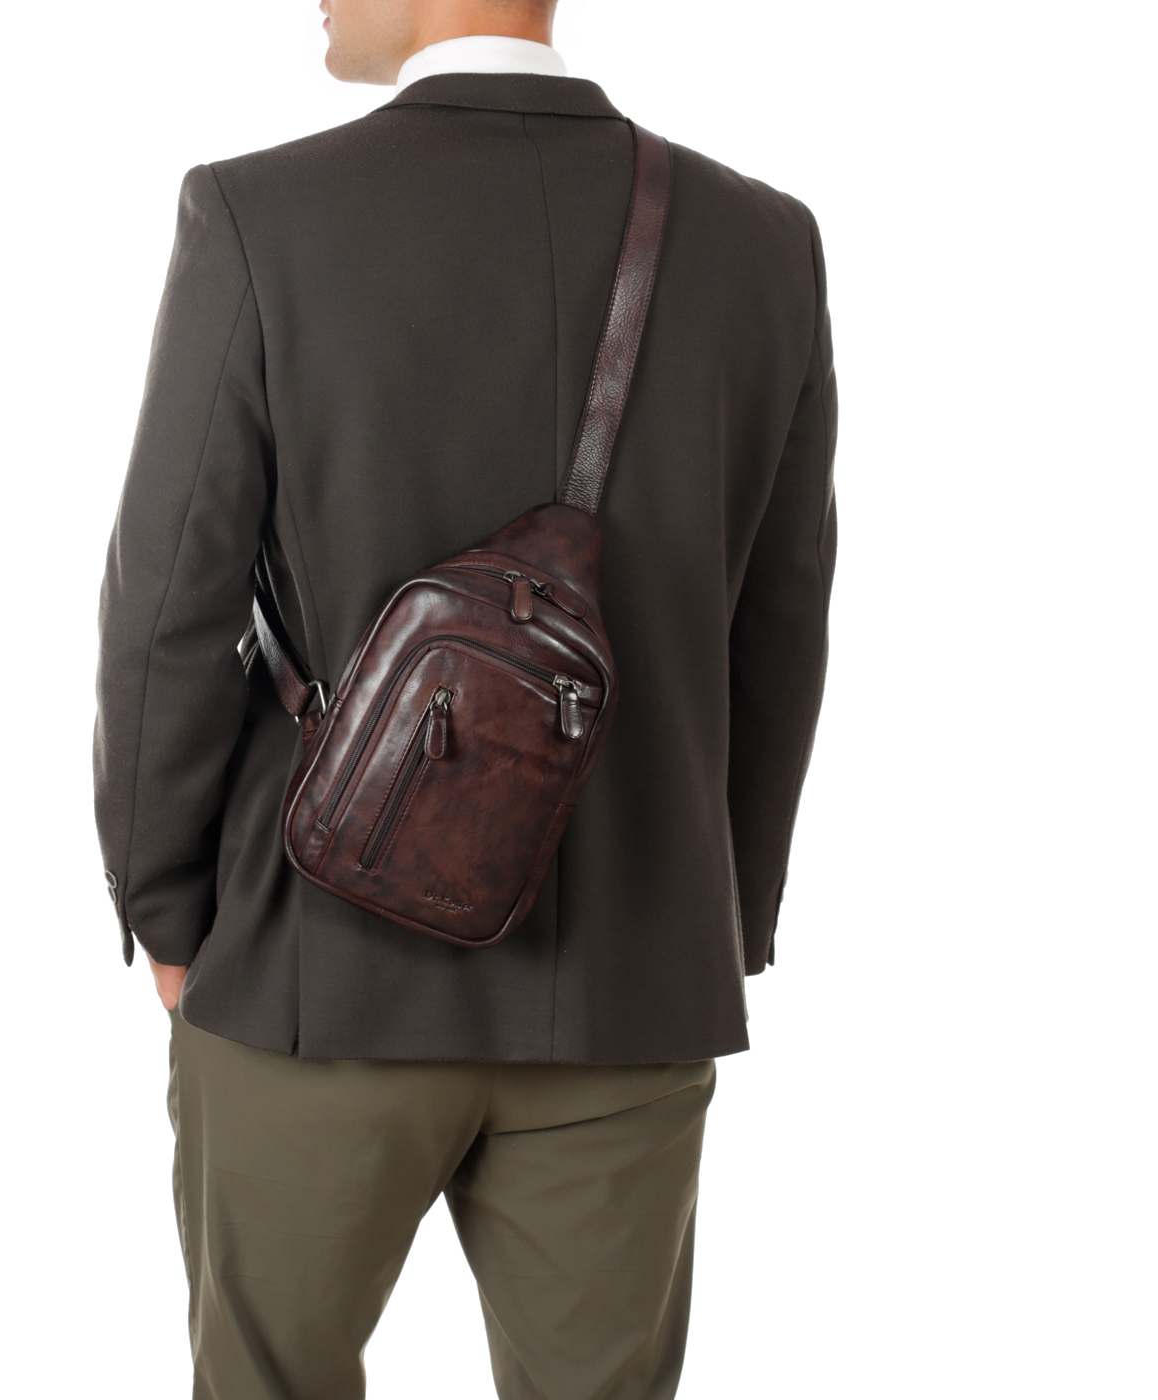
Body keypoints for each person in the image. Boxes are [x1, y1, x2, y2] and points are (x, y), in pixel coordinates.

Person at [93, 0, 837, 1393]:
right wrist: (713, 923)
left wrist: (166, 911)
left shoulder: (260, 216)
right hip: (630, 985)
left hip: (312, 966)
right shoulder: (762, 241)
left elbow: (168, 611)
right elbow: (780, 626)